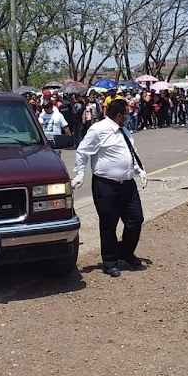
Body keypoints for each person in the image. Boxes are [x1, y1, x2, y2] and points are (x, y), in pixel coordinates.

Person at [71, 98, 147, 278]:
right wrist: (80, 173)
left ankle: (125, 252)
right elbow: (83, 151)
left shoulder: (125, 131)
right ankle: (110, 261)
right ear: (119, 115)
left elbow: (131, 152)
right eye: (126, 114)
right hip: (106, 185)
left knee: (136, 219)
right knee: (108, 223)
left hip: (127, 184)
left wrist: (140, 170)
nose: (128, 117)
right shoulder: (98, 130)